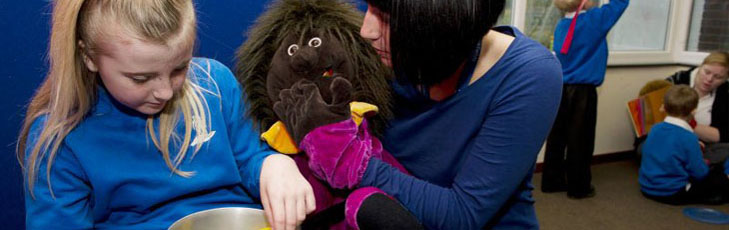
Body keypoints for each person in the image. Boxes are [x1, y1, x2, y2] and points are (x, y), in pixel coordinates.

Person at [16, 1, 314, 229]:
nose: (165, 92)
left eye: (179, 69)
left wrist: (274, 164)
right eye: (141, 78)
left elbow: (250, 158)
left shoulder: (216, 83)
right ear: (89, 57)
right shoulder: (61, 140)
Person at [273, 0, 562, 228]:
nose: (367, 30)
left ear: (439, 24)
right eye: (370, 7)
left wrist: (350, 161)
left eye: (386, 17)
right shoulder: (383, 54)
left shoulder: (529, 74)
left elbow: (463, 215)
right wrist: (275, 163)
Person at [541, 0, 629, 199]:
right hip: (582, 92)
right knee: (580, 140)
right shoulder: (594, 20)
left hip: (560, 87)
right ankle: (579, 186)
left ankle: (552, 181)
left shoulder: (561, 24)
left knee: (557, 137)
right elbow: (621, 2)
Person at [639, 85, 729, 205]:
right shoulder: (688, 137)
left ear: (663, 108)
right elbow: (700, 173)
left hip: (646, 188)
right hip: (672, 193)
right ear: (694, 111)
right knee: (718, 177)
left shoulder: (655, 128)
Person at [665, 52, 729, 164]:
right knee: (645, 147)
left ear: (725, 79)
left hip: (703, 145)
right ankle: (695, 164)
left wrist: (682, 123)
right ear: (700, 67)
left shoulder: (726, 92)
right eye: (707, 72)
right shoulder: (678, 80)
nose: (709, 79)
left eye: (718, 77)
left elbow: (724, 134)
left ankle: (685, 163)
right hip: (671, 139)